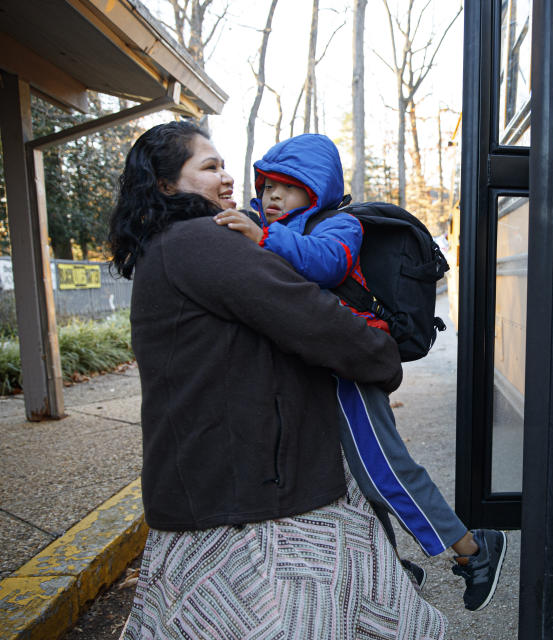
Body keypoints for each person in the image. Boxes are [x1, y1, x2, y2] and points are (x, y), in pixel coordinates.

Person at [110, 121, 446, 639]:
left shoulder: (171, 244)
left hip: (218, 487)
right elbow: (308, 315)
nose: (227, 178)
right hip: (252, 504)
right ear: (165, 185)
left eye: (224, 165)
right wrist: (381, 355)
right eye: (209, 166)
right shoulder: (202, 240)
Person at [213, 133, 508, 612]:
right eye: (266, 185)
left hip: (348, 365)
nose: (272, 196)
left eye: (286, 187)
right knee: (345, 483)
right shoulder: (262, 229)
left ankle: (473, 548)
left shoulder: (340, 226)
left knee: (383, 471)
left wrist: (262, 236)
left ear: (316, 189)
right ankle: (389, 566)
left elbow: (327, 266)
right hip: (310, 371)